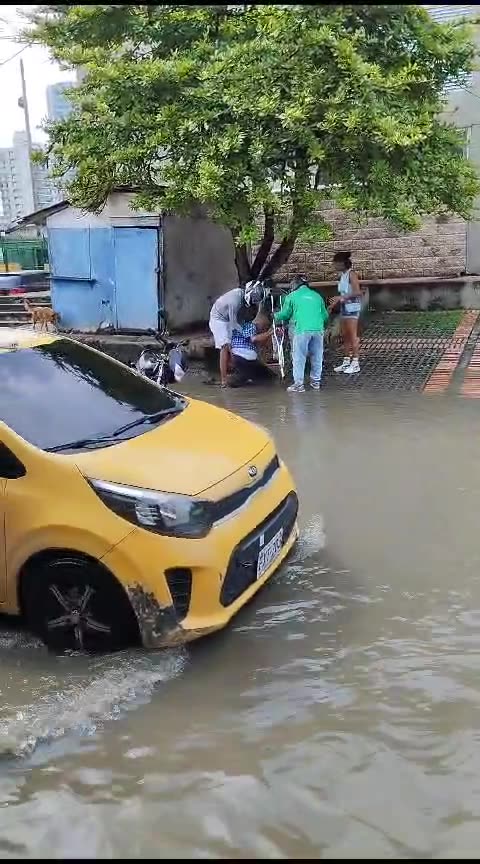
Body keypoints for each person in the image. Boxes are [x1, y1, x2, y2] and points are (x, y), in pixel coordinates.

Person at [274, 274, 329, 393]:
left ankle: (299, 385)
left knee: (299, 356)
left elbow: (285, 314)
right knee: (317, 356)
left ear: (295, 284)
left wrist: (275, 315)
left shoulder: (291, 296)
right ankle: (315, 383)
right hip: (318, 330)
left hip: (301, 329)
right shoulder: (317, 296)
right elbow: (325, 316)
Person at [209, 281, 264, 387]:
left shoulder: (242, 297)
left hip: (228, 319)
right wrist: (248, 333)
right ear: (250, 293)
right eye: (254, 299)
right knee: (225, 347)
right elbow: (234, 323)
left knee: (232, 345)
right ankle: (224, 380)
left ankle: (235, 373)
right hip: (219, 319)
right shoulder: (235, 300)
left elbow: (239, 320)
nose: (254, 302)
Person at [329, 251, 363, 375]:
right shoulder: (342, 275)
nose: (334, 265)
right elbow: (344, 293)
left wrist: (340, 299)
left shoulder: (351, 274)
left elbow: (357, 292)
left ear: (343, 263)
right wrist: (336, 301)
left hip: (352, 308)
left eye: (336, 262)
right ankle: (346, 360)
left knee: (352, 335)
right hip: (344, 307)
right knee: (345, 335)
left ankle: (355, 362)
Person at [228, 305, 276, 388]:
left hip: (237, 357)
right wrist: (270, 332)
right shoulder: (250, 326)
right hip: (247, 358)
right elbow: (254, 339)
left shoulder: (233, 326)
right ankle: (240, 378)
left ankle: (239, 378)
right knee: (270, 377)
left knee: (249, 373)